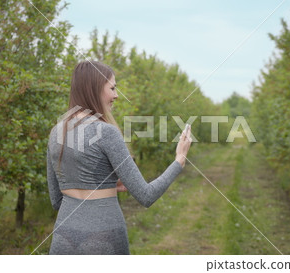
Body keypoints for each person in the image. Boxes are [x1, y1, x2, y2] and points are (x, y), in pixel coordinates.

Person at [46, 60, 192, 254]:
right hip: (104, 237)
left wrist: (103, 184)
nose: (116, 95)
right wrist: (179, 160)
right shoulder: (106, 132)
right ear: (95, 88)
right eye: (112, 88)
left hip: (63, 239)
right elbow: (146, 196)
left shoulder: (56, 132)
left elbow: (57, 200)